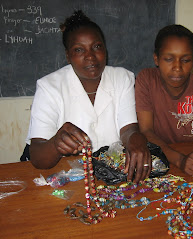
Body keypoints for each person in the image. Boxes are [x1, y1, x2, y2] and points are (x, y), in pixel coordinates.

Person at [25, 10, 151, 183]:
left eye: (97, 46)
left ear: (105, 48)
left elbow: (128, 130)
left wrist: (136, 139)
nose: (90, 56)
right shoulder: (49, 87)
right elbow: (37, 157)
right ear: (68, 56)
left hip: (111, 177)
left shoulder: (122, 78)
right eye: (79, 50)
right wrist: (55, 145)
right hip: (67, 178)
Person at [135, 24, 193, 176]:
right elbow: (146, 131)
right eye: (169, 59)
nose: (177, 67)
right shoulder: (146, 80)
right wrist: (179, 160)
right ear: (156, 59)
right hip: (157, 158)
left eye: (185, 60)